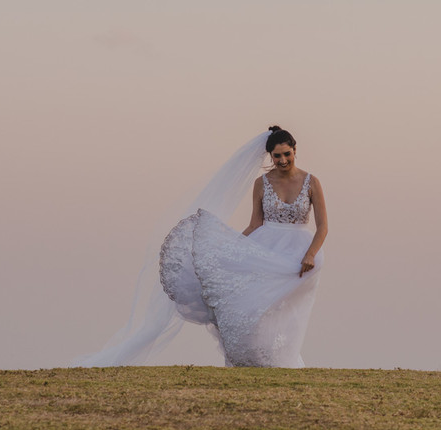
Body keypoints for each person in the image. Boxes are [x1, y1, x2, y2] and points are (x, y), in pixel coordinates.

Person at [76, 126, 328, 367]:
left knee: (290, 312)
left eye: (287, 154)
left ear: (295, 150)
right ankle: (260, 359)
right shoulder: (262, 183)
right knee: (254, 305)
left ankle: (285, 359)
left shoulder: (311, 182)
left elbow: (323, 226)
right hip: (266, 249)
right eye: (277, 156)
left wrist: (311, 254)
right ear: (270, 156)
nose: (282, 160)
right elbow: (255, 224)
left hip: (298, 253)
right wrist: (228, 249)